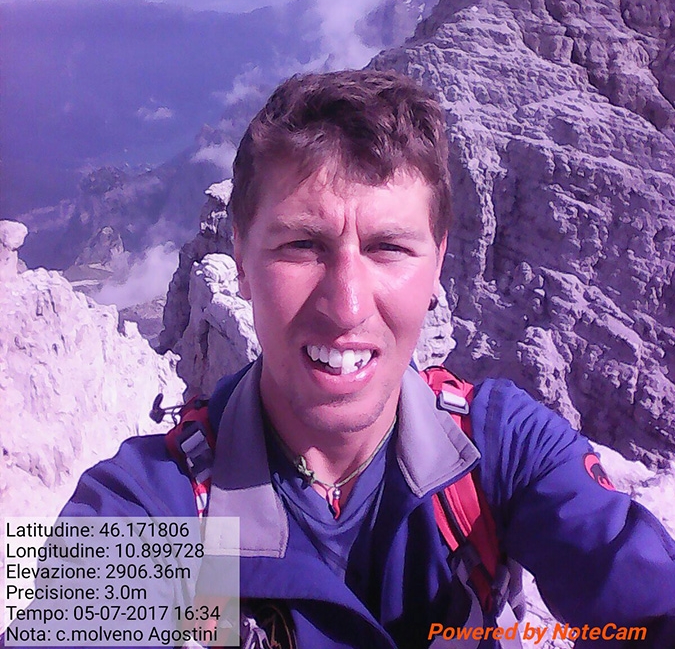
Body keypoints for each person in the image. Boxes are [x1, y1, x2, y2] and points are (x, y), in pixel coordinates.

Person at [34, 71, 675, 646]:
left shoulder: (505, 450)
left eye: (389, 247)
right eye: (302, 245)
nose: (346, 307)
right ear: (242, 260)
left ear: (438, 262)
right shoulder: (153, 502)